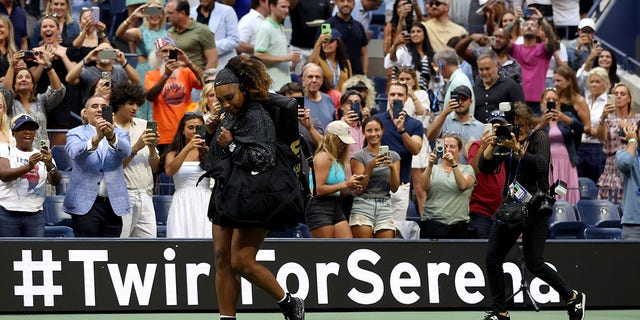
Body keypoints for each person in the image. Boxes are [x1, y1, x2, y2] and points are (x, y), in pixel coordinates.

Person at [206, 55, 305, 320]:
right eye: (221, 100)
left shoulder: (257, 115)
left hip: (256, 195)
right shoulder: (227, 115)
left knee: (241, 261)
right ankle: (227, 317)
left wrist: (232, 145)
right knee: (221, 258)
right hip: (227, 192)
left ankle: (288, 302)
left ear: (244, 88)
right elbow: (213, 161)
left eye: (230, 98)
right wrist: (211, 134)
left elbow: (263, 160)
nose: (227, 105)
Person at [479, 102, 586, 320]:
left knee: (535, 263)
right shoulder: (507, 140)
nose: (515, 130)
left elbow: (539, 166)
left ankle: (572, 297)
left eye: (519, 125)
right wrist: (489, 147)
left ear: (528, 122)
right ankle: (500, 311)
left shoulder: (539, 138)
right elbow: (485, 168)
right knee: (492, 258)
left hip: (536, 208)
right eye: (513, 125)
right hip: (511, 208)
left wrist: (516, 148)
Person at [63, 95, 131, 237]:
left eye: (104, 107)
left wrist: (111, 136)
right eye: (94, 106)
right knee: (87, 251)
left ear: (111, 113)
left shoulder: (120, 134)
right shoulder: (75, 133)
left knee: (111, 253)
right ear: (85, 113)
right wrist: (96, 139)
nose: (100, 109)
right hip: (86, 204)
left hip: (113, 204)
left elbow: (126, 151)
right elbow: (74, 152)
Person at [0, 114, 61, 237]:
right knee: (9, 253)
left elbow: (56, 181)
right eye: (22, 129)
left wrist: (50, 164)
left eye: (31, 129)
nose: (27, 132)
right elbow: (4, 175)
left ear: (34, 134)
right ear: (14, 133)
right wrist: (29, 166)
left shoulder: (42, 155)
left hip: (35, 214)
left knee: (34, 253)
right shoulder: (5, 150)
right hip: (7, 213)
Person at [112, 82, 160, 238]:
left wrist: (152, 149)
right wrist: (136, 148)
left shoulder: (144, 125)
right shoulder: (108, 129)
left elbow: (155, 168)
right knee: (121, 244)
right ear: (119, 103)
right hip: (122, 195)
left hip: (146, 194)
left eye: (137, 104)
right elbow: (114, 166)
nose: (135, 108)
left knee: (149, 247)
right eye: (130, 103)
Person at [374, 82, 422, 233]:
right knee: (375, 231)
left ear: (406, 98)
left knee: (395, 232)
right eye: (392, 94)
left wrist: (401, 130)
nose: (396, 98)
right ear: (387, 96)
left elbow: (415, 149)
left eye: (400, 95)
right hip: (377, 185)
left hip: (400, 186)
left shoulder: (415, 124)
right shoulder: (376, 120)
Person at [145, 37, 203, 153]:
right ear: (157, 55)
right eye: (164, 51)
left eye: (171, 51)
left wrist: (189, 63)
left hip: (187, 133)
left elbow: (203, 83)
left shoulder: (186, 72)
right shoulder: (151, 74)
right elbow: (150, 96)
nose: (168, 54)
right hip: (164, 134)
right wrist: (166, 75)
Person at [115, 0, 168, 120]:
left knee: (159, 108)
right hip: (143, 72)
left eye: (158, 10)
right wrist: (133, 16)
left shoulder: (168, 34)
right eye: (151, 11)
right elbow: (119, 34)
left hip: (162, 74)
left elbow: (173, 57)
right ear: (146, 13)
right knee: (142, 107)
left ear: (163, 13)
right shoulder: (140, 32)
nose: (154, 14)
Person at [307, 120, 360, 238]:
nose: (344, 145)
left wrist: (350, 188)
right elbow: (318, 190)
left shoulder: (337, 160)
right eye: (341, 141)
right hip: (320, 207)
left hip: (336, 205)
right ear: (332, 139)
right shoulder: (323, 157)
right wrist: (346, 184)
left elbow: (336, 190)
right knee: (326, 251)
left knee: (346, 248)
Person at [349, 116, 400, 238]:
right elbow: (361, 187)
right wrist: (370, 166)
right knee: (362, 248)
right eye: (369, 130)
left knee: (385, 251)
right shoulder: (358, 156)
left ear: (382, 131)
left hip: (385, 205)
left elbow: (394, 188)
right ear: (363, 132)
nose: (373, 134)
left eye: (377, 130)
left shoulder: (394, 156)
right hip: (363, 204)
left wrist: (392, 168)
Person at [1, 51, 65, 146]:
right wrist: (11, 66)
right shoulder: (9, 103)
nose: (23, 79)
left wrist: (48, 67)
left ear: (33, 85)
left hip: (41, 153)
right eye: (19, 77)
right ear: (14, 86)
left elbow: (58, 91)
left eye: (27, 77)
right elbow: (5, 91)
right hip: (16, 154)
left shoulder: (42, 101)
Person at [163, 112, 211, 238]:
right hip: (182, 200)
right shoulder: (173, 153)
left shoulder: (208, 151)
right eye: (190, 128)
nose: (195, 131)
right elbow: (170, 171)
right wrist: (187, 148)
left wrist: (209, 150)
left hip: (205, 198)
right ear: (182, 131)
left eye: (198, 128)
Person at [421, 133, 475, 239]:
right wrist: (430, 165)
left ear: (459, 151)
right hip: (432, 224)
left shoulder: (467, 169)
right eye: (445, 146)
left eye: (452, 147)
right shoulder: (433, 169)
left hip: (458, 226)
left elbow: (462, 185)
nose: (448, 149)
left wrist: (453, 164)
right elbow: (423, 186)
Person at [506, 8, 556, 114]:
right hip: (518, 101)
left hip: (537, 102)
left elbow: (552, 39)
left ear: (538, 32)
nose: (529, 26)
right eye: (526, 25)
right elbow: (502, 37)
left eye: (533, 25)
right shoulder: (515, 48)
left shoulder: (543, 49)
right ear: (521, 30)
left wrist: (542, 20)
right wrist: (515, 20)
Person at [596, 83, 640, 203]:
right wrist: (603, 118)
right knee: (611, 206)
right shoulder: (608, 119)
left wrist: (628, 126)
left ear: (629, 99)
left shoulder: (637, 119)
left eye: (622, 94)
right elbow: (601, 137)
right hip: (612, 165)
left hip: (633, 162)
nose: (619, 96)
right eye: (616, 94)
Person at [538, 87, 582, 205]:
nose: (552, 102)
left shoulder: (566, 116)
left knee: (566, 192)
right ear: (542, 102)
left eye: (555, 99)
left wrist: (566, 119)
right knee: (553, 194)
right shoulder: (537, 119)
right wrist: (541, 123)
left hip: (566, 164)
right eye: (548, 99)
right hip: (549, 165)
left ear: (559, 103)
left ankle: (568, 217)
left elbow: (580, 129)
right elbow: (530, 138)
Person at [396, 68, 430, 212]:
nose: (404, 82)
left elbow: (424, 113)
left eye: (407, 79)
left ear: (414, 80)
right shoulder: (396, 94)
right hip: (400, 140)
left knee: (419, 187)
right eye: (401, 79)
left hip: (417, 139)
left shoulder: (421, 93)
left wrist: (411, 95)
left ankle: (424, 219)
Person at [65, 43, 140, 104]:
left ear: (113, 55)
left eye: (108, 52)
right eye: (101, 52)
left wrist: (124, 62)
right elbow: (69, 79)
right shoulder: (88, 71)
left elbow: (136, 82)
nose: (105, 54)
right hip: (94, 111)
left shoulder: (120, 71)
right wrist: (86, 59)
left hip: (116, 112)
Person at [427, 85, 483, 164]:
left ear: (471, 102)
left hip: (467, 173)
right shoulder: (443, 119)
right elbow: (430, 137)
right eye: (457, 99)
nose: (460, 102)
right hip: (444, 172)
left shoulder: (480, 127)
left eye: (464, 99)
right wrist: (444, 113)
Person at [254, 0, 298, 90]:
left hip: (283, 84)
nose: (287, 10)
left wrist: (290, 63)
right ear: (272, 6)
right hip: (272, 86)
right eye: (283, 7)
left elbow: (277, 54)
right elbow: (258, 55)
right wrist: (286, 58)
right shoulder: (265, 28)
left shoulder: (280, 27)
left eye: (288, 7)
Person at [471, 49, 524, 123]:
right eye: (481, 69)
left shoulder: (511, 86)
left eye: (487, 69)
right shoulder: (474, 89)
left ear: (496, 66)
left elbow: (522, 112)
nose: (484, 72)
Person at [576, 67, 608, 185]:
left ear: (606, 84)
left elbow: (607, 132)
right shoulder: (583, 100)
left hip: (598, 148)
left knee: (595, 186)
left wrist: (588, 131)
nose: (594, 85)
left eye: (597, 82)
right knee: (578, 186)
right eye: (591, 81)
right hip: (580, 146)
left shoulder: (609, 103)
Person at [166, 0, 217, 70]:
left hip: (196, 77)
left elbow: (213, 60)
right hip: (177, 77)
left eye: (170, 13)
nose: (167, 16)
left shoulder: (203, 31)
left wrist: (204, 79)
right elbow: (172, 60)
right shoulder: (170, 33)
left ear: (182, 13)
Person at [384, 22, 434, 91]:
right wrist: (395, 45)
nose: (415, 34)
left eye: (418, 31)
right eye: (413, 32)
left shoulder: (430, 54)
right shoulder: (404, 50)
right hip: (403, 92)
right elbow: (392, 59)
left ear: (424, 34)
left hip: (423, 94)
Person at [190, 0, 239, 68]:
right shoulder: (191, 13)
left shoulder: (227, 11)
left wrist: (208, 47)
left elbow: (234, 40)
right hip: (197, 66)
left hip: (223, 65)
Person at [326, 0, 369, 75]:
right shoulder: (328, 25)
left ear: (354, 4)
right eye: (342, 1)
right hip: (335, 75)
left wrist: (364, 73)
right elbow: (321, 52)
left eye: (349, 1)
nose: (345, 4)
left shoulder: (359, 26)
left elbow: (364, 54)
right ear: (336, 3)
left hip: (356, 75)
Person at [615, 121, 640, 240]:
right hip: (633, 224)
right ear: (637, 133)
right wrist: (632, 141)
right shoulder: (622, 154)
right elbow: (625, 163)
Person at [433, 47, 475, 116]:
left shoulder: (459, 82)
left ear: (442, 64)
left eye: (437, 67)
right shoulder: (457, 80)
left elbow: (460, 114)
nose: (437, 71)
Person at [301, 63, 335, 128]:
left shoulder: (328, 99)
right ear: (303, 80)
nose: (314, 80)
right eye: (310, 77)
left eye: (317, 77)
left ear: (322, 80)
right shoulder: (299, 100)